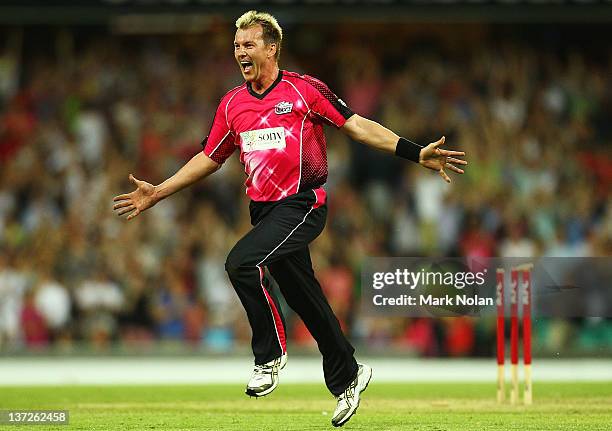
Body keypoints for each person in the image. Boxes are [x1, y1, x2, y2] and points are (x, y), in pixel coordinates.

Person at [113, 10, 467, 427]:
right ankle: (349, 374)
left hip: (302, 204)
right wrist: (159, 191)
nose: (240, 53)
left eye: (249, 45)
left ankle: (269, 355)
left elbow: (356, 126)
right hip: (264, 212)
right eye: (236, 47)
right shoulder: (232, 104)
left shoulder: (304, 90)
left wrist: (413, 151)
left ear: (271, 48)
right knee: (305, 299)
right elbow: (210, 157)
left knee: (241, 262)